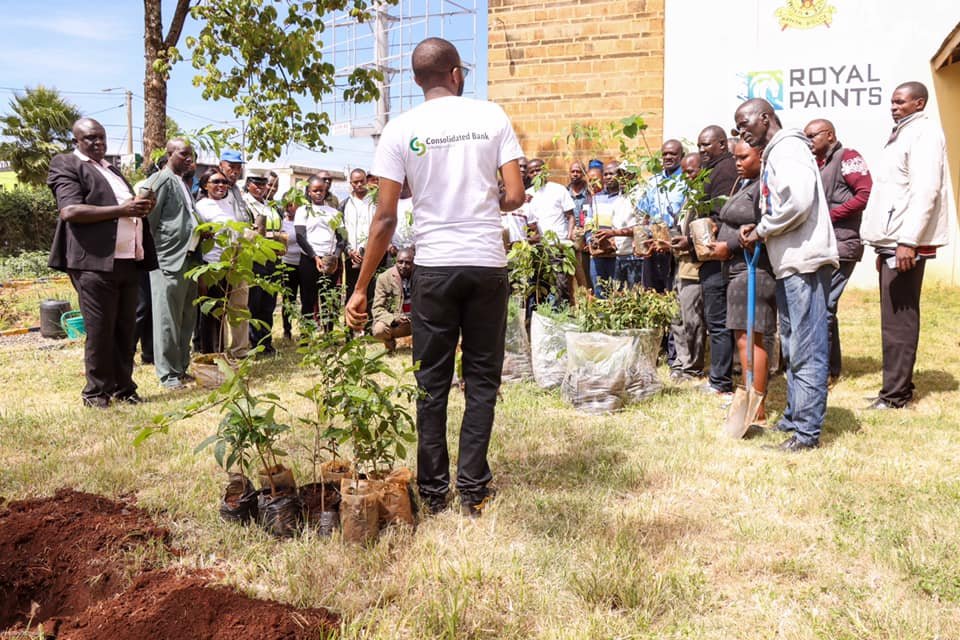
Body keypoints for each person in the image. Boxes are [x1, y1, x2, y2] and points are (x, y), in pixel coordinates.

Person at [344, 37, 526, 518]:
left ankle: (433, 490)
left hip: (434, 270)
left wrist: (361, 287)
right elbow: (515, 195)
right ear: (457, 74)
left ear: (416, 78)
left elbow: (383, 219)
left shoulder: (400, 129)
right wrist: (489, 197)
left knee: (431, 382)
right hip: (486, 265)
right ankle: (474, 489)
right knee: (482, 379)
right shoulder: (492, 116)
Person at [736, 98, 839, 451]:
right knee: (794, 345)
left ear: (766, 118)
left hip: (806, 261)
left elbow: (797, 202)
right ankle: (796, 417)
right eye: (738, 126)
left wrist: (763, 229)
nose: (742, 131)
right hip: (790, 262)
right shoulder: (776, 153)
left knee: (807, 347)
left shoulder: (788, 149)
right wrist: (761, 227)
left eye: (746, 122)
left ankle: (807, 434)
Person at [47, 117, 158, 407]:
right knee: (100, 329)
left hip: (127, 260)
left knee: (125, 328)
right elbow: (70, 210)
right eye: (90, 138)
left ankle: (124, 388)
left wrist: (142, 207)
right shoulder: (67, 164)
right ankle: (96, 393)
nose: (98, 143)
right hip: (94, 263)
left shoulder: (112, 170)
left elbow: (125, 209)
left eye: (101, 137)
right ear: (77, 141)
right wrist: (123, 209)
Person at [861, 81, 950, 410]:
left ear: (920, 103)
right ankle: (897, 386)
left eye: (901, 102)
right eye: (892, 101)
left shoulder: (923, 134)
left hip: (906, 242)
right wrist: (884, 245)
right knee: (893, 318)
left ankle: (895, 396)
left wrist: (907, 242)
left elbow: (926, 191)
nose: (894, 106)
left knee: (900, 319)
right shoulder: (902, 132)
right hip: (893, 242)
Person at [706, 141, 777, 422]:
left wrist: (731, 245)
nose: (737, 162)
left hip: (754, 268)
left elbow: (765, 225)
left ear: (761, 155)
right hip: (736, 270)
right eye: (735, 157)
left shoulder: (766, 186)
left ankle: (756, 408)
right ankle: (748, 398)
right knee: (743, 337)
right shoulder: (745, 182)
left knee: (751, 338)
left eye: (744, 157)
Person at [804, 118, 873, 383]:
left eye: (812, 136)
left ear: (829, 135)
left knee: (824, 306)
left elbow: (864, 194)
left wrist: (830, 216)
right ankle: (832, 368)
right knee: (825, 306)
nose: (808, 141)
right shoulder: (817, 163)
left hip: (843, 244)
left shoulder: (849, 157)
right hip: (823, 245)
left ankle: (822, 373)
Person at [672, 125, 739, 395]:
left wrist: (693, 241)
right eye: (699, 145)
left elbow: (719, 217)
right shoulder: (714, 171)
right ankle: (720, 377)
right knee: (716, 320)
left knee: (718, 320)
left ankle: (720, 381)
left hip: (716, 256)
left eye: (707, 145)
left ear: (722, 144)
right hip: (708, 256)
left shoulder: (724, 171)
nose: (702, 150)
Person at [144, 138, 199, 389]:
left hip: (189, 259)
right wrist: (157, 253)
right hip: (167, 260)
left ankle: (181, 367)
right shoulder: (162, 180)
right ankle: (168, 375)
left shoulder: (182, 182)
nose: (189, 159)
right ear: (169, 154)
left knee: (187, 318)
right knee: (167, 321)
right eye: (184, 154)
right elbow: (147, 221)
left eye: (191, 155)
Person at [195, 167, 251, 358]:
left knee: (234, 309)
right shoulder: (201, 206)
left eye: (224, 182)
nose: (221, 185)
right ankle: (213, 354)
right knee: (214, 311)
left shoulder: (229, 203)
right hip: (213, 265)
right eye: (216, 182)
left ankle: (233, 351)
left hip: (234, 263)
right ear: (205, 185)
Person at [668, 153, 707, 382]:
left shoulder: (705, 200)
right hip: (679, 265)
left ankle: (693, 366)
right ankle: (682, 362)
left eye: (691, 171)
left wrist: (687, 244)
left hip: (695, 267)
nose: (688, 176)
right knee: (677, 318)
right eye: (684, 173)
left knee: (692, 319)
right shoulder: (689, 199)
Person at [636, 140, 685, 293]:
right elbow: (643, 214)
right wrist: (639, 239)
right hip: (652, 245)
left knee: (672, 292)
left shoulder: (687, 181)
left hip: (674, 245)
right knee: (651, 292)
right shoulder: (653, 182)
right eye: (665, 154)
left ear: (682, 156)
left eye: (673, 153)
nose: (668, 157)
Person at [295, 174, 342, 330]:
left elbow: (341, 238)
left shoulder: (333, 212)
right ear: (308, 191)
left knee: (329, 297)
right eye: (315, 190)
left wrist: (334, 256)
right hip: (309, 259)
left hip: (330, 260)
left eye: (321, 190)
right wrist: (314, 257)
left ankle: (329, 334)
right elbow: (300, 236)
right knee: (308, 298)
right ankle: (307, 335)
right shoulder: (303, 210)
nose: (318, 193)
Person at [244, 174, 285, 355]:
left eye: (263, 184)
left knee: (269, 302)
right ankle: (254, 342)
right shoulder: (245, 204)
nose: (260, 187)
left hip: (274, 258)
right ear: (248, 185)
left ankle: (266, 341)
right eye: (256, 184)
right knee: (254, 302)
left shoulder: (271, 206)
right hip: (255, 258)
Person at [591, 161, 640, 291]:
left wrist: (613, 233)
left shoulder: (639, 195)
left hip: (635, 257)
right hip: (620, 256)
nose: (622, 178)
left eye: (626, 175)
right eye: (620, 174)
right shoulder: (620, 198)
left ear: (634, 176)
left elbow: (641, 229)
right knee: (618, 297)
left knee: (634, 297)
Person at [340, 168, 378, 310]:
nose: (359, 185)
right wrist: (349, 250)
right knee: (351, 291)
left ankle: (370, 327)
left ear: (366, 181)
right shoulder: (345, 204)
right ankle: (351, 328)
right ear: (351, 183)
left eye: (361, 181)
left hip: (373, 256)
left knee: (372, 292)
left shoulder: (376, 201)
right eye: (355, 182)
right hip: (352, 257)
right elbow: (341, 231)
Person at [372, 247, 415, 351]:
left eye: (408, 263)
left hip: (417, 321)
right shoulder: (384, 278)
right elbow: (377, 309)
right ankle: (390, 344)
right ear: (395, 261)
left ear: (414, 263)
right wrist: (394, 319)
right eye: (400, 262)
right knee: (379, 330)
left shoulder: (420, 276)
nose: (403, 266)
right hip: (397, 323)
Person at [279, 197, 301, 340]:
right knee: (288, 299)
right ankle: (287, 330)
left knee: (306, 298)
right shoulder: (282, 223)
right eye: (289, 205)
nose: (292, 207)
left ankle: (306, 328)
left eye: (295, 204)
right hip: (287, 263)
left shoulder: (305, 221)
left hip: (304, 263)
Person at [218, 149, 250, 223]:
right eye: (231, 167)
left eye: (238, 168)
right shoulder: (215, 188)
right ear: (221, 166)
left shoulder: (236, 189)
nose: (235, 171)